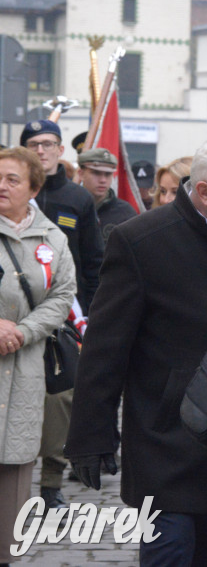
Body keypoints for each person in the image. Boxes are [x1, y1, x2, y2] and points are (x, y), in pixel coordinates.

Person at [65, 135, 207, 566]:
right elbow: (104, 347)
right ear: (205, 192)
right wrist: (90, 433)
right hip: (165, 442)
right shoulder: (142, 241)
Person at [20, 119, 105, 512]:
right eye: (35, 144)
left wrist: (92, 313)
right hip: (17, 315)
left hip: (66, 317)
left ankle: (51, 483)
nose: (42, 151)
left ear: (60, 151)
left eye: (50, 143)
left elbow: (93, 261)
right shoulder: (13, 195)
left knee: (60, 402)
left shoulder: (77, 198)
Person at [0, 147, 75, 566]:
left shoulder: (53, 237)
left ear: (32, 187)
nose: (1, 185)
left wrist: (23, 331)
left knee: (14, 473)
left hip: (27, 368)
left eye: (12, 179)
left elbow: (62, 295)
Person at [77, 147, 137, 242]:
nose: (103, 180)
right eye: (96, 173)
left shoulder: (125, 212)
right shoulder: (71, 205)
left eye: (108, 174)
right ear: (81, 174)